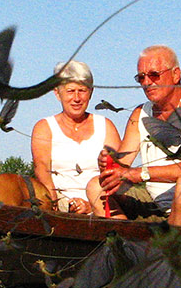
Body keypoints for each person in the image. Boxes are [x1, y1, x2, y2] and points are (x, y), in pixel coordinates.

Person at [94, 45, 181, 228]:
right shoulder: (139, 114)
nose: (147, 82)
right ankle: (125, 243)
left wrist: (140, 174)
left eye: (154, 75)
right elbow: (122, 167)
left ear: (176, 74)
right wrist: (108, 164)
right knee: (96, 187)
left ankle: (172, 246)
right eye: (141, 77)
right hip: (156, 205)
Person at [31, 61, 121, 215]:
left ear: (91, 92)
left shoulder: (106, 126)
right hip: (60, 204)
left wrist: (91, 205)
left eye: (82, 91)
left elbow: (117, 173)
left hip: (102, 202)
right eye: (70, 91)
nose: (76, 98)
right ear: (57, 93)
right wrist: (56, 207)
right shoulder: (44, 128)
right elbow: (42, 171)